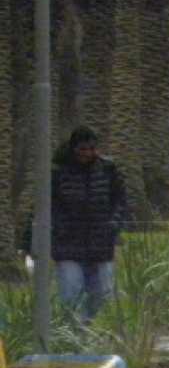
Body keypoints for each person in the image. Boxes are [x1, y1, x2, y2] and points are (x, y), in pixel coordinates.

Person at [52, 127, 128, 322]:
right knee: (71, 291)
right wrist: (59, 228)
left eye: (91, 149)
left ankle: (95, 330)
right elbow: (49, 205)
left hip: (101, 242)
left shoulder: (108, 170)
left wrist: (113, 224)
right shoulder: (59, 172)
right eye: (82, 149)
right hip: (68, 244)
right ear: (74, 149)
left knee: (103, 293)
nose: (87, 154)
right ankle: (75, 333)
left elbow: (120, 201)